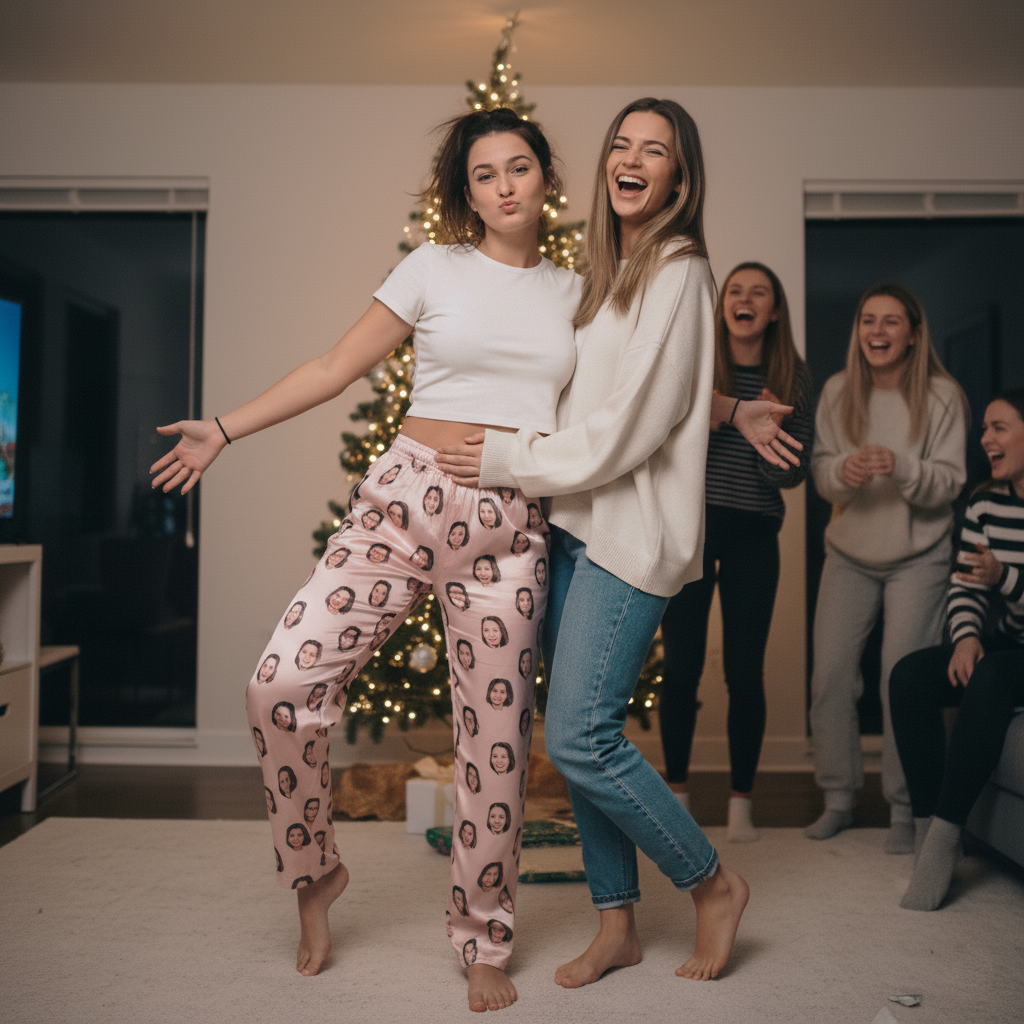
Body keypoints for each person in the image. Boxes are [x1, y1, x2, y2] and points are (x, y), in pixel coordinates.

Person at [151, 107, 580, 1010]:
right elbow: (334, 365)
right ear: (466, 193)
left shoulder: (577, 295)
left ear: (546, 177)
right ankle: (314, 875)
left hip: (508, 525)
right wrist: (223, 429)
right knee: (279, 685)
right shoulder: (434, 267)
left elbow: (644, 393)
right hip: (404, 502)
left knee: (494, 749)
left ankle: (483, 938)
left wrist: (735, 413)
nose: (503, 185)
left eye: (518, 168)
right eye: (483, 175)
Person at [437, 98, 795, 986]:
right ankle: (617, 925)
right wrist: (731, 407)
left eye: (656, 151)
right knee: (577, 739)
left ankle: (711, 883)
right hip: (574, 527)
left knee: (583, 736)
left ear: (680, 175)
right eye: (622, 145)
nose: (633, 159)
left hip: (631, 539)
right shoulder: (610, 270)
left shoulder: (677, 267)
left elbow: (631, 424)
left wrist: (508, 459)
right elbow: (610, 392)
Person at [806, 284, 968, 852]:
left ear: (914, 333)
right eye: (868, 320)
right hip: (849, 555)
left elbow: (950, 482)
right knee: (829, 678)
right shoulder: (836, 391)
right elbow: (820, 471)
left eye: (891, 322)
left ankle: (905, 808)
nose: (877, 331)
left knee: (899, 681)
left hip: (919, 559)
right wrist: (843, 473)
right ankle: (839, 798)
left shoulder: (944, 397)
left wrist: (901, 467)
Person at [658, 262, 812, 841]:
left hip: (754, 534)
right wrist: (721, 420)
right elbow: (663, 446)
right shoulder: (697, 364)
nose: (745, 299)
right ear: (723, 305)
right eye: (736, 290)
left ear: (773, 312)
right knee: (681, 668)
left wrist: (770, 439)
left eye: (760, 293)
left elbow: (794, 477)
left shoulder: (791, 376)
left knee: (745, 673)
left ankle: (741, 805)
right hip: (691, 530)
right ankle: (676, 797)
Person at [890, 387, 1024, 910]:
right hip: (1006, 640)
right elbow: (967, 584)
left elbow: (995, 576)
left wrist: (1007, 577)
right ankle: (928, 833)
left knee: (991, 676)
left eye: (999, 427)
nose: (985, 438)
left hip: (1013, 656)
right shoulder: (985, 501)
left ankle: (947, 841)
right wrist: (966, 636)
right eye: (985, 428)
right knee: (909, 676)